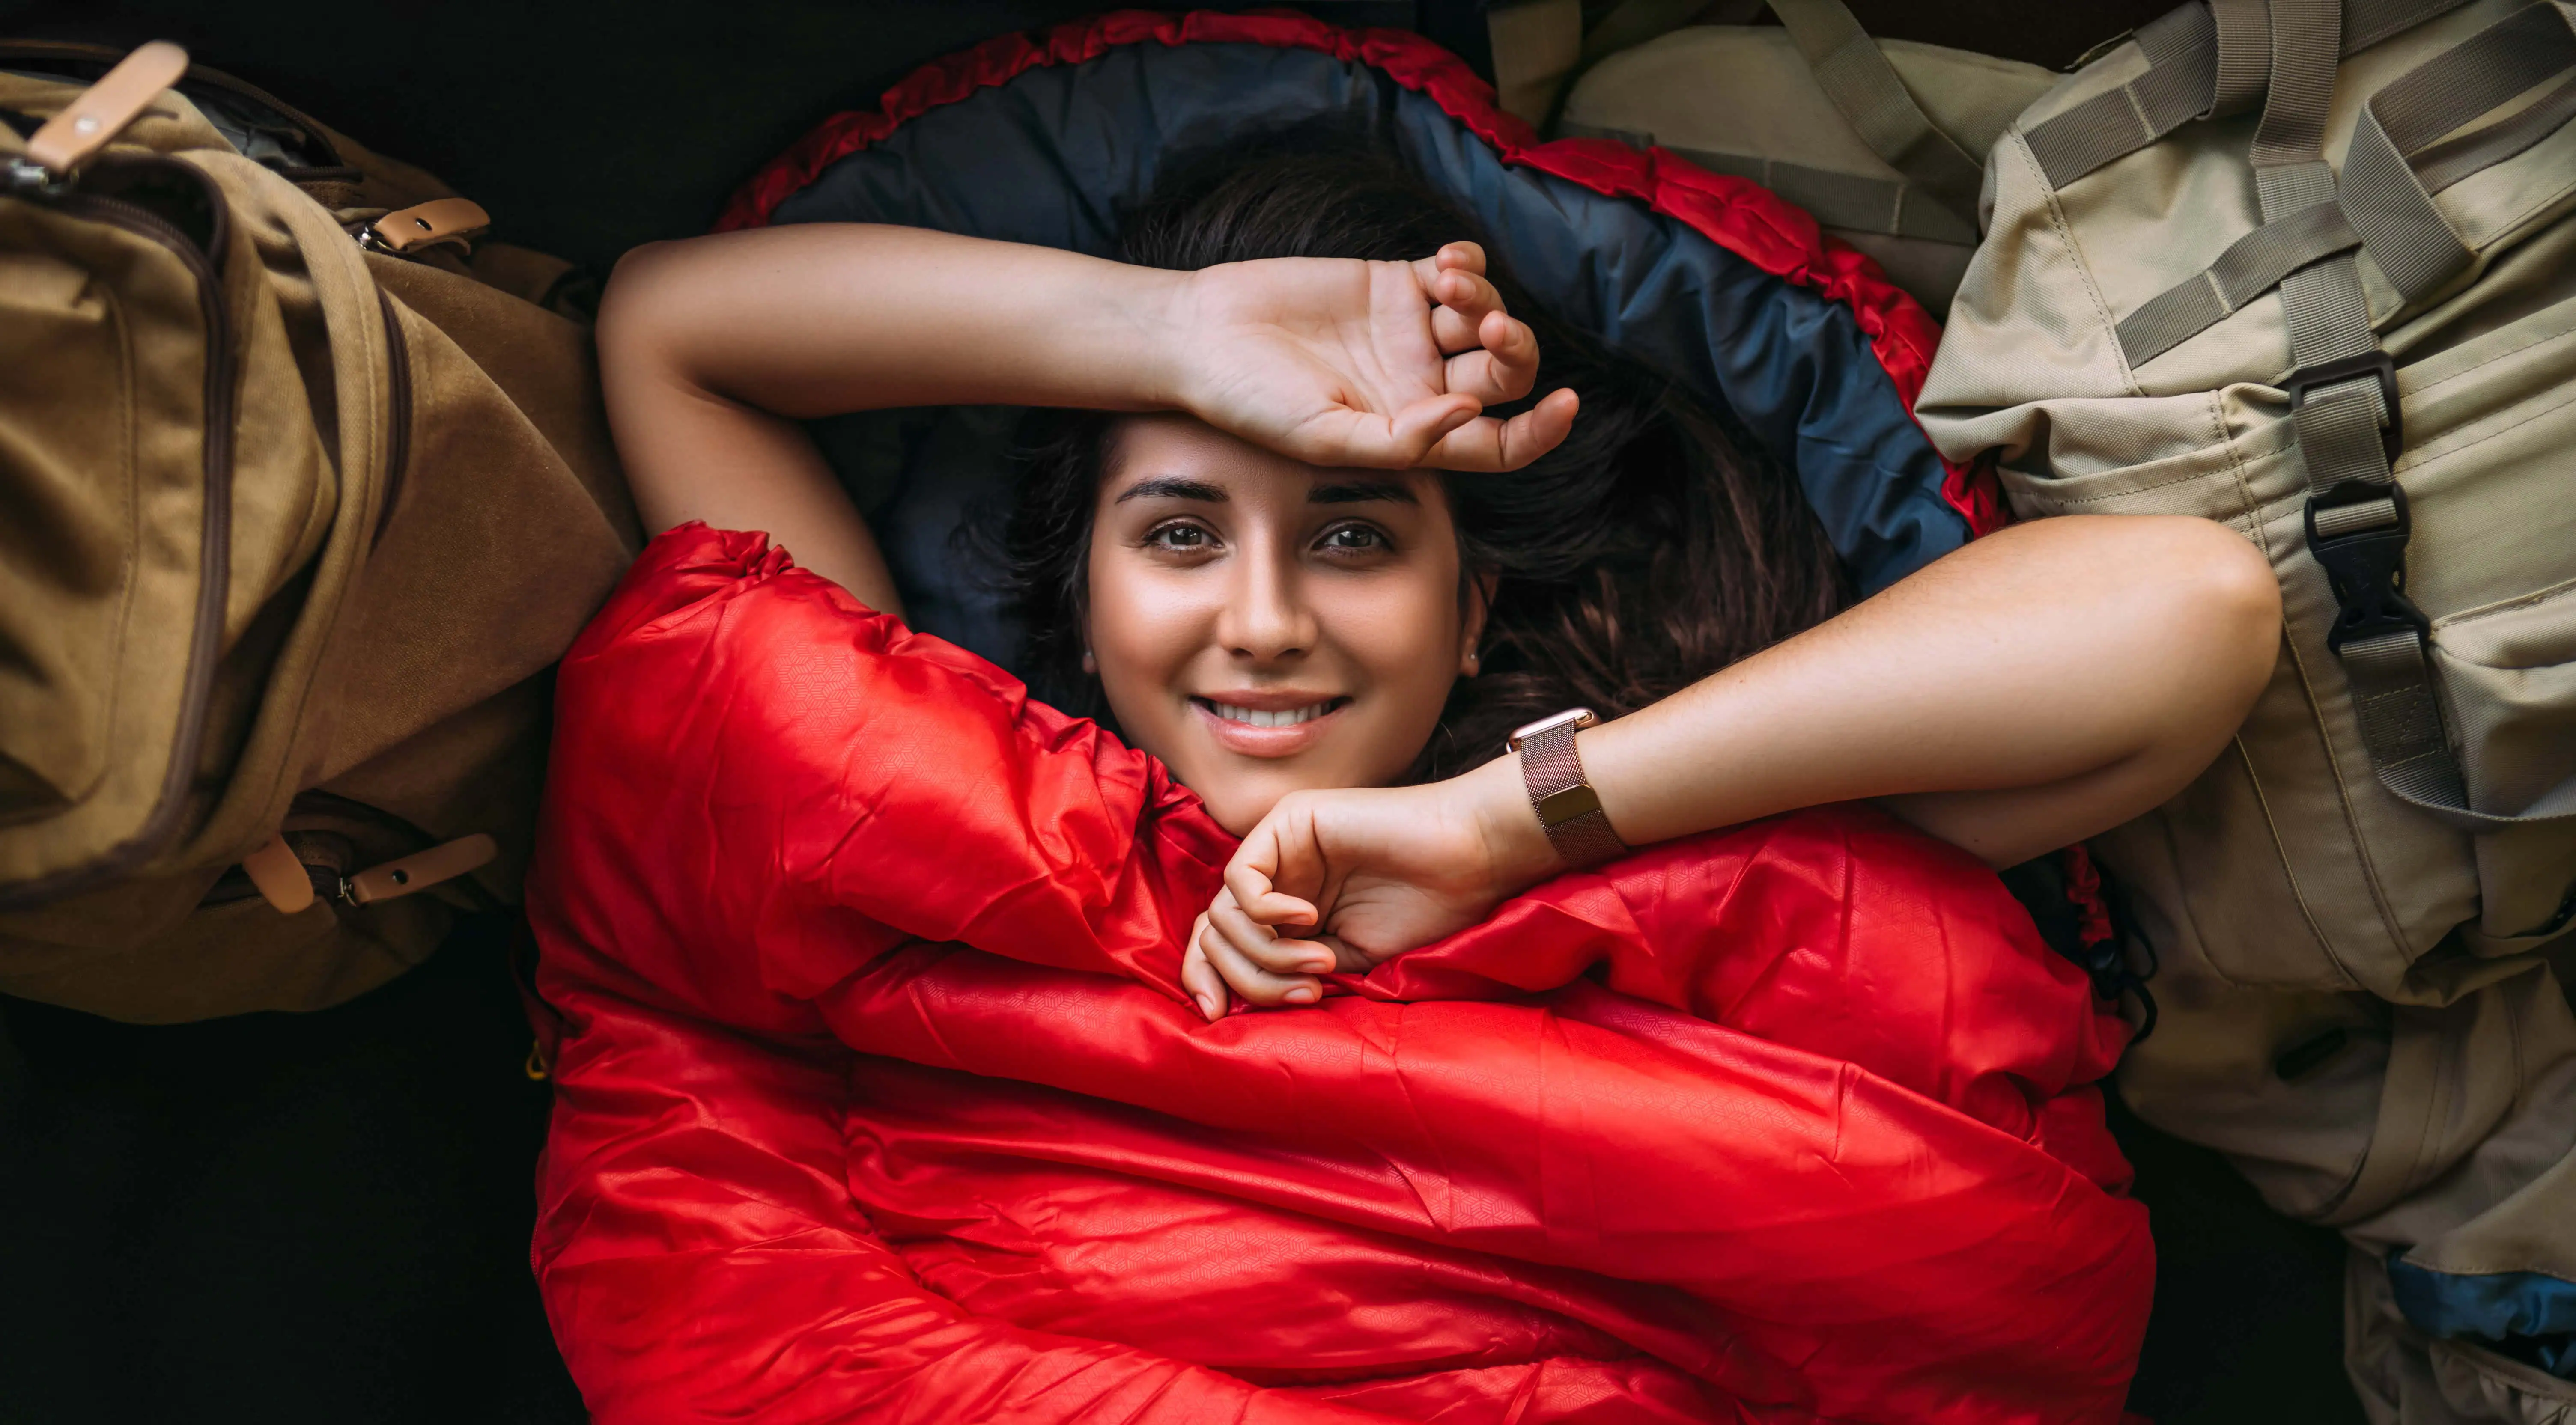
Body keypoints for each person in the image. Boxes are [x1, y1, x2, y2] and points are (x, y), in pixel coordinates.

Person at [594, 144, 2278, 1023]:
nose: (1262, 614)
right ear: (1085, 600)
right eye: (1179, 533)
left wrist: (1499, 829)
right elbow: (672, 332)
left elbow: (2191, 611)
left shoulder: (1651, 841)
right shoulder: (926, 791)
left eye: (1351, 535)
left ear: (1471, 603)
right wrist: (1166, 334)